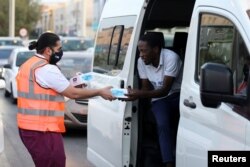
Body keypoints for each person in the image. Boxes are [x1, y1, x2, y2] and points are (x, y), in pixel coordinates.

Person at [16, 32, 114, 167]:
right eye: (59, 49)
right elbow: (74, 94)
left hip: (28, 127)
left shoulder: (29, 65)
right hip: (43, 129)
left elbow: (45, 89)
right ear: (48, 50)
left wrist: (71, 85)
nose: (61, 52)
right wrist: (100, 91)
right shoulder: (46, 68)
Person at [125, 33, 183, 167]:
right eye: (140, 51)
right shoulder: (141, 62)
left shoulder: (171, 58)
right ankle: (168, 162)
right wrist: (137, 95)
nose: (141, 55)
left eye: (144, 51)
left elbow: (165, 90)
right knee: (162, 124)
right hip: (158, 98)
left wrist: (139, 94)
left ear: (156, 49)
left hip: (177, 95)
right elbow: (146, 88)